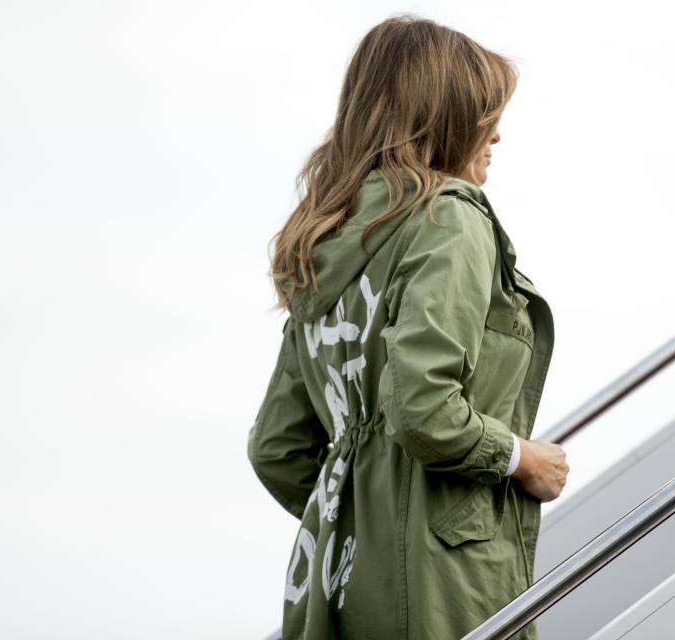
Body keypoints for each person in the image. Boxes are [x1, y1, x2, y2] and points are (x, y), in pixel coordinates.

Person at [248, 14, 569, 640]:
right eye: (483, 113)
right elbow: (424, 407)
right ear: (443, 116)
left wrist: (363, 519)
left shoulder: (322, 242)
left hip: (334, 584)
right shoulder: (448, 219)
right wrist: (519, 457)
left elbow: (277, 448)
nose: (498, 134)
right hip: (440, 584)